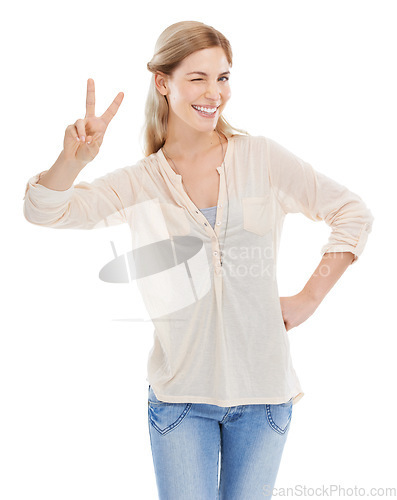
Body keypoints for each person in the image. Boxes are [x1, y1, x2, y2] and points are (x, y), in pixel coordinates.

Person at [23, 20, 374, 500]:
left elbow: (351, 213)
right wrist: (74, 161)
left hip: (265, 397)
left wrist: (310, 297)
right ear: (163, 83)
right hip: (180, 401)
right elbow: (45, 211)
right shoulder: (140, 183)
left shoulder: (262, 158)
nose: (215, 92)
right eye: (198, 78)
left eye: (223, 77)